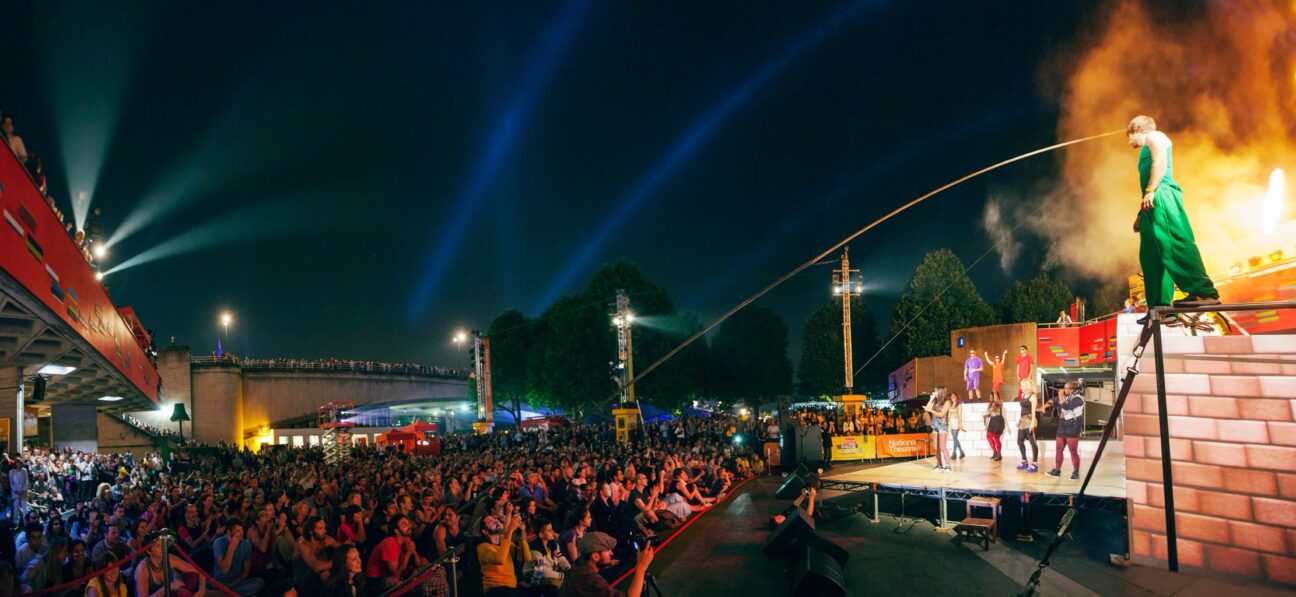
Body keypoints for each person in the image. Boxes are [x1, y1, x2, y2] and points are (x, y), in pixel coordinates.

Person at [1127, 115, 1220, 310]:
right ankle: (1160, 307)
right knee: (1151, 256)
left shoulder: (1155, 136)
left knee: (1174, 242)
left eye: (1129, 135)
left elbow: (1160, 163)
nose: (1129, 141)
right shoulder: (1144, 149)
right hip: (1150, 203)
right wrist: (1140, 214)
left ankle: (1203, 292)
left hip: (1162, 194)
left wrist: (1151, 191)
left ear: (1136, 129)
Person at [558, 531, 655, 597]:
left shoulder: (579, 566)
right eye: (607, 550)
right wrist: (641, 566)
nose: (611, 553)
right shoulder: (589, 579)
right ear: (595, 556)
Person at [212, 519, 264, 596]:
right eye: (238, 531)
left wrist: (231, 586)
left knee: (260, 582)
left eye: (242, 529)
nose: (242, 533)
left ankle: (227, 594)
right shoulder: (219, 543)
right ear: (229, 532)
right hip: (221, 581)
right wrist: (231, 548)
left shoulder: (246, 544)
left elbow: (245, 572)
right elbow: (224, 570)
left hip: (237, 582)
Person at [1048, 381, 1086, 480]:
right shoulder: (1067, 397)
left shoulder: (1078, 399)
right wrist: (1044, 406)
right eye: (1064, 388)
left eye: (1066, 388)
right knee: (1059, 449)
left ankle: (1076, 472)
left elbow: (1067, 406)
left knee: (1072, 451)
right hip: (1062, 425)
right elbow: (1054, 401)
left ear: (1073, 390)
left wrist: (1061, 395)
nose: (1064, 390)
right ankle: (1057, 471)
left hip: (1072, 426)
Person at [923, 387, 952, 472]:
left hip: (942, 426)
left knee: (942, 447)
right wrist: (931, 398)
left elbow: (941, 414)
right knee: (936, 447)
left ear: (940, 392)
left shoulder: (947, 402)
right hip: (935, 426)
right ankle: (939, 465)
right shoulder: (935, 401)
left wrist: (931, 411)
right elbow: (926, 409)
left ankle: (948, 465)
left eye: (935, 391)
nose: (934, 392)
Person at [1016, 379, 1041, 474]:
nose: (1021, 387)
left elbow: (1033, 411)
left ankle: (1035, 463)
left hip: (1030, 419)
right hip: (1023, 420)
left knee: (1032, 442)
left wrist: (1032, 423)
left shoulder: (1033, 397)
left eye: (1022, 385)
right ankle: (1024, 461)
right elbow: (1022, 409)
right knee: (1019, 440)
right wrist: (1020, 420)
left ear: (1026, 386)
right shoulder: (1023, 395)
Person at [984, 395, 1006, 462]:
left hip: (998, 421)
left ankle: (999, 454)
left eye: (992, 397)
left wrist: (990, 410)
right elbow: (991, 413)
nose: (990, 398)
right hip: (992, 421)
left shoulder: (999, 403)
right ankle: (995, 452)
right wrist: (986, 416)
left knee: (996, 438)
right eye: (990, 397)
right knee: (988, 436)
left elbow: (994, 410)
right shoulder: (990, 404)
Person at [948, 392, 966, 460]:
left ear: (956, 397)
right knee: (955, 439)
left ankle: (954, 453)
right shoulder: (950, 405)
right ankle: (961, 452)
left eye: (954, 396)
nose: (952, 397)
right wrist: (948, 422)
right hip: (951, 423)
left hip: (956, 422)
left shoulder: (959, 405)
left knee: (955, 438)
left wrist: (961, 425)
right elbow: (949, 415)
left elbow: (960, 416)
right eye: (952, 396)